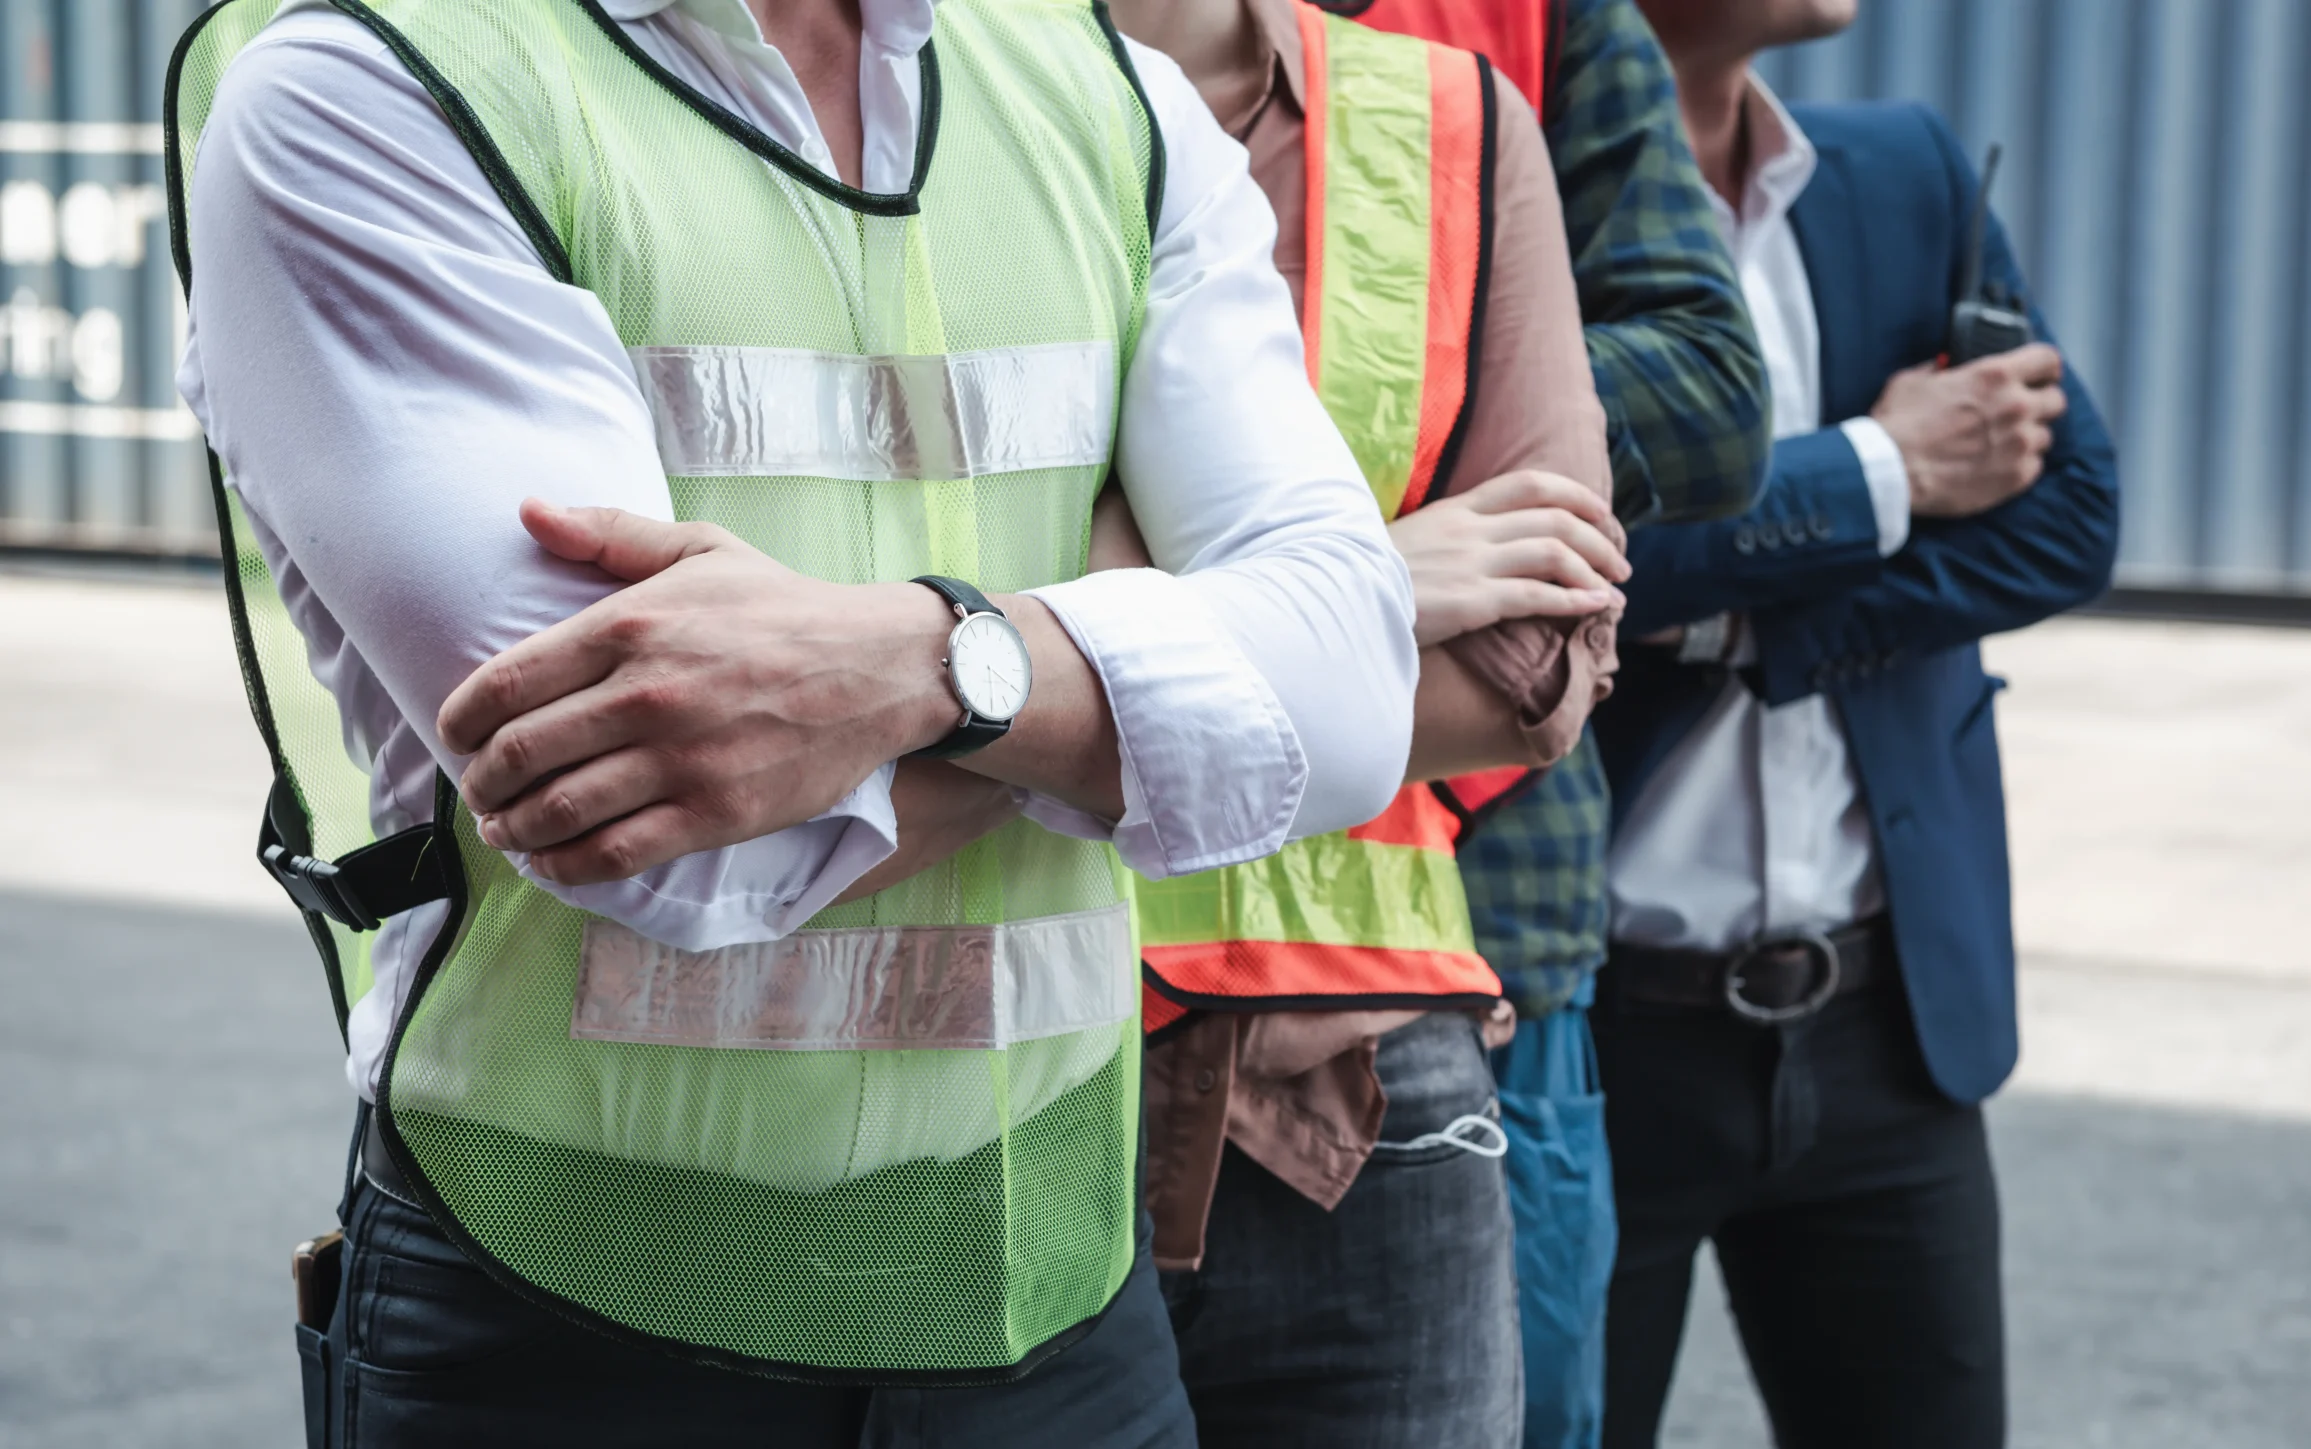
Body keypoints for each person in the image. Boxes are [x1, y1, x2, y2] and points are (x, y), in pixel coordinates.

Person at [170, 0, 1432, 1441]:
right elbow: (662, 831)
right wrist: (1137, 639)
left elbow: (1348, 702)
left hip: (1050, 1293)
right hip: (572, 1317)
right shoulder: (379, 85)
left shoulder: (1110, 97)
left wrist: (928, 663)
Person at [1589, 1, 2121, 1445]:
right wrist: (1885, 467)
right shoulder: (1525, 191)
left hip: (1886, 1019)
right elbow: (1550, 538)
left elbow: (2069, 517)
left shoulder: (1906, 169)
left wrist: (1744, 623)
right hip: (1595, 1030)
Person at [1095, 1, 1624, 1442]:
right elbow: (901, 625)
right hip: (986, 1066)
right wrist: (1379, 581)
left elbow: (1535, 665)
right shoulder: (888, 99)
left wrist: (1070, 638)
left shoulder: (1446, 119)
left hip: (1364, 1081)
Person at [1325, 4, 1771, 1443]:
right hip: (1098, 926)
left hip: (1480, 921)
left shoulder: (1540, 22)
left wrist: (1334, 431)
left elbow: (1711, 390)